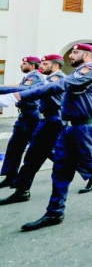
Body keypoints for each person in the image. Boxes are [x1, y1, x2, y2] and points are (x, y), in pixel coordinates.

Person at [0, 44, 92, 231]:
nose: (70, 56)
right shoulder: (76, 73)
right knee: (61, 170)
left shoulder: (89, 70)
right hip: (70, 127)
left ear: (87, 55)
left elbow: (60, 86)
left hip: (87, 126)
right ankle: (54, 212)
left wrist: (17, 96)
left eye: (75, 52)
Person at [0, 54, 92, 204]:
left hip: (54, 120)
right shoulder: (49, 78)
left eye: (45, 64)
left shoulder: (57, 78)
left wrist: (9, 93)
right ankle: (21, 190)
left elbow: (35, 89)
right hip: (46, 120)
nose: (41, 66)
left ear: (55, 65)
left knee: (58, 155)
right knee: (34, 155)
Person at [0, 56, 45, 189]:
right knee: (14, 146)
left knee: (45, 149)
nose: (21, 65)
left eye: (24, 63)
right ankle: (10, 176)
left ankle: (87, 171)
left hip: (32, 116)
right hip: (24, 115)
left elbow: (21, 90)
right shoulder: (28, 77)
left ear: (32, 65)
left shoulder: (35, 77)